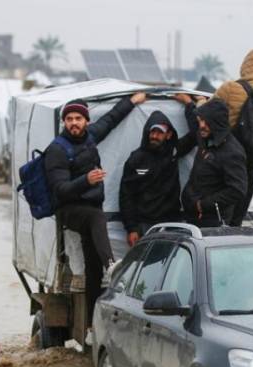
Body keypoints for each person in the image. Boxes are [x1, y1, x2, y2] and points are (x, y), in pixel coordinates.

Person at [44, 92, 147, 325]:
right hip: (69, 211)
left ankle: (91, 325)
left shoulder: (90, 137)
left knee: (92, 269)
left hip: (90, 207)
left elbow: (110, 120)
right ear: (64, 122)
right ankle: (112, 265)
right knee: (96, 217)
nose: (73, 123)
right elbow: (59, 189)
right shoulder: (57, 150)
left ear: (86, 121)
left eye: (78, 119)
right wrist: (86, 181)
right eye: (69, 119)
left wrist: (132, 101)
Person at [119, 95, 199, 246]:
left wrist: (188, 104)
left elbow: (197, 134)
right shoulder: (136, 159)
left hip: (172, 223)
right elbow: (126, 195)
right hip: (144, 226)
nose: (155, 136)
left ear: (168, 134)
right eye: (152, 131)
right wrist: (131, 228)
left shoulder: (174, 151)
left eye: (160, 132)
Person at [211, 49, 253, 226]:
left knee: (222, 209)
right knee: (240, 209)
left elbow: (208, 112)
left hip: (230, 155)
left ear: (243, 67)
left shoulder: (229, 88)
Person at [181, 98, 248, 228]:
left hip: (212, 222)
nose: (202, 125)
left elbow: (237, 190)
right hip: (192, 216)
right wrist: (188, 103)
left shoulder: (232, 152)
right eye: (201, 120)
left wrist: (204, 205)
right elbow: (194, 128)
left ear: (217, 123)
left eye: (207, 121)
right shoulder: (205, 137)